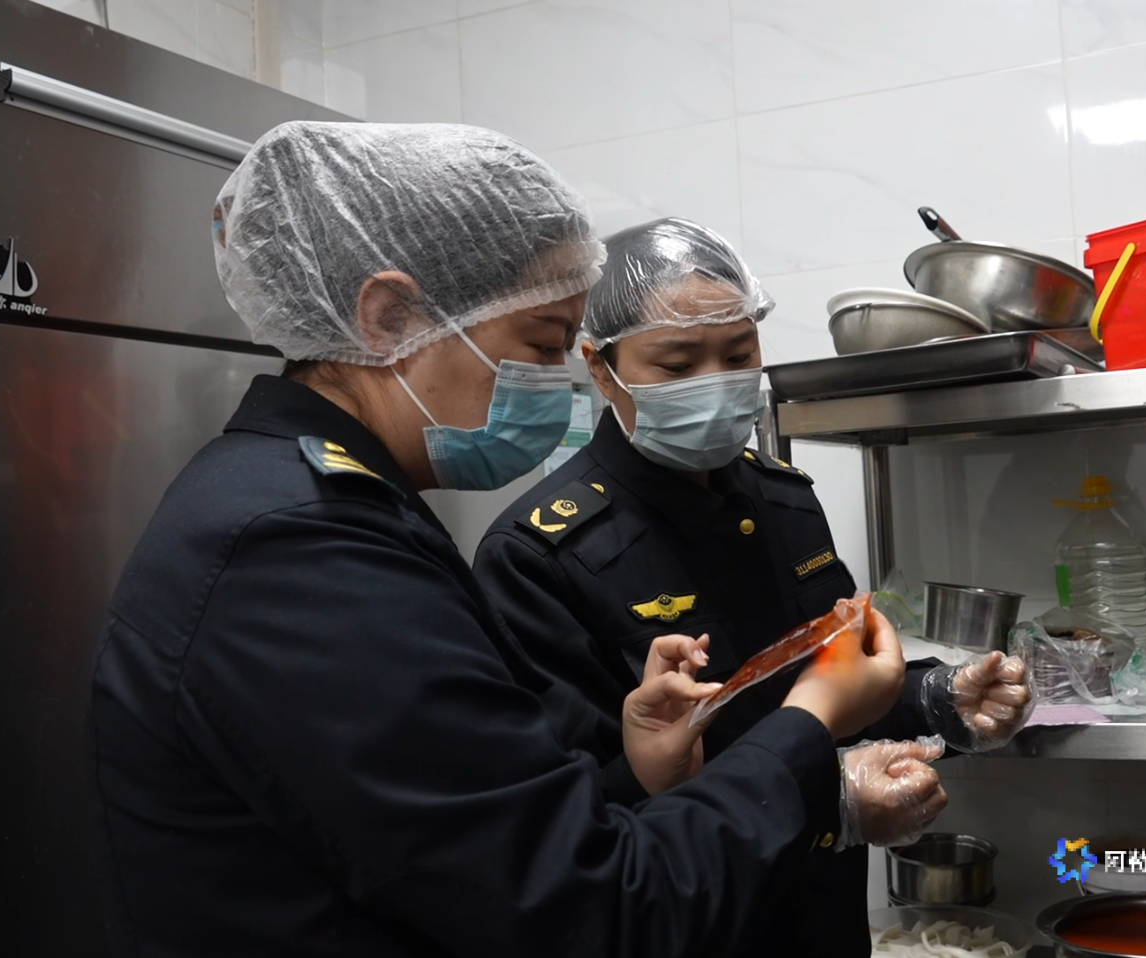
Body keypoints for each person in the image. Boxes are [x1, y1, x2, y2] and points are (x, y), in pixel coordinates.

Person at [88, 122, 926, 958]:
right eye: (540, 345)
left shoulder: (321, 504)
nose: (554, 385)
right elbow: (586, 909)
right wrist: (810, 718)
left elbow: (484, 835)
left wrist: (642, 771)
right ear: (387, 318)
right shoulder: (301, 550)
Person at [473, 218, 1034, 956]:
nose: (715, 382)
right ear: (600, 369)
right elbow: (571, 825)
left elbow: (829, 681)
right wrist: (826, 802)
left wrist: (936, 699)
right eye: (677, 364)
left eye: (739, 355)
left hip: (823, 924)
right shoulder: (538, 555)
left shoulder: (782, 498)